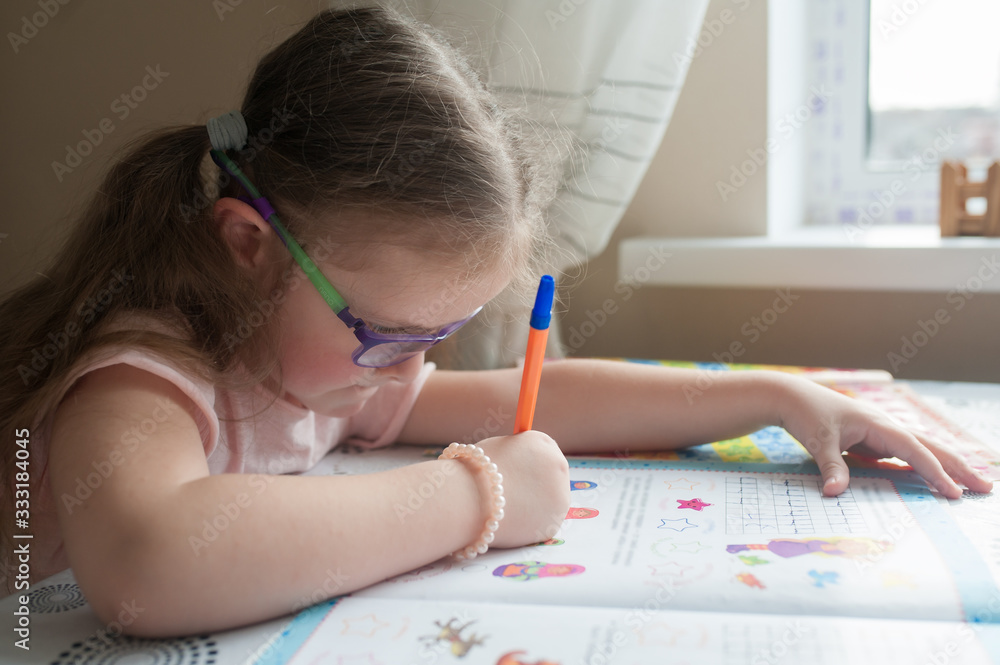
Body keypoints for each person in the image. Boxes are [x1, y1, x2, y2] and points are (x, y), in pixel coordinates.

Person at [0, 5, 990, 639]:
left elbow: (540, 395)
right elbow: (146, 562)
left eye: (440, 334)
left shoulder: (323, 364)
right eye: (389, 332)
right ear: (249, 245)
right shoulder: (144, 369)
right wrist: (477, 496)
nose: (409, 370)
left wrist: (771, 393)